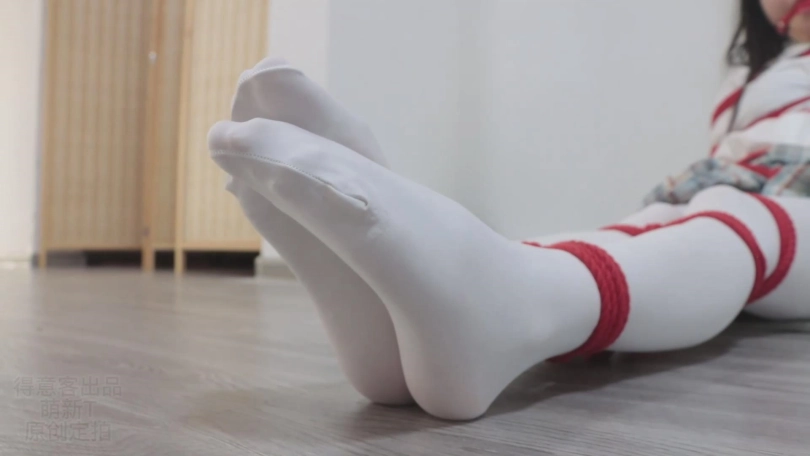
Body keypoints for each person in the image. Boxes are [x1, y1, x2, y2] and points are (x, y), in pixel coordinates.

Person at [208, 0, 810, 421]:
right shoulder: (752, 78)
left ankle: (519, 304)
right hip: (732, 195)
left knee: (737, 217)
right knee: (645, 226)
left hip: (782, 214)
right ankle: (396, 342)